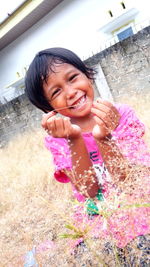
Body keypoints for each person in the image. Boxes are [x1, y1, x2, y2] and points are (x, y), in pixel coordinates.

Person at [25, 47, 150, 265]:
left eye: (73, 78)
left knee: (141, 254)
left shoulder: (120, 115)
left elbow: (128, 181)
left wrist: (104, 138)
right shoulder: (57, 138)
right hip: (96, 216)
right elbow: (90, 192)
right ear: (50, 109)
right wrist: (74, 139)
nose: (71, 92)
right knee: (92, 257)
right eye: (56, 92)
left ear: (87, 74)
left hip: (136, 204)